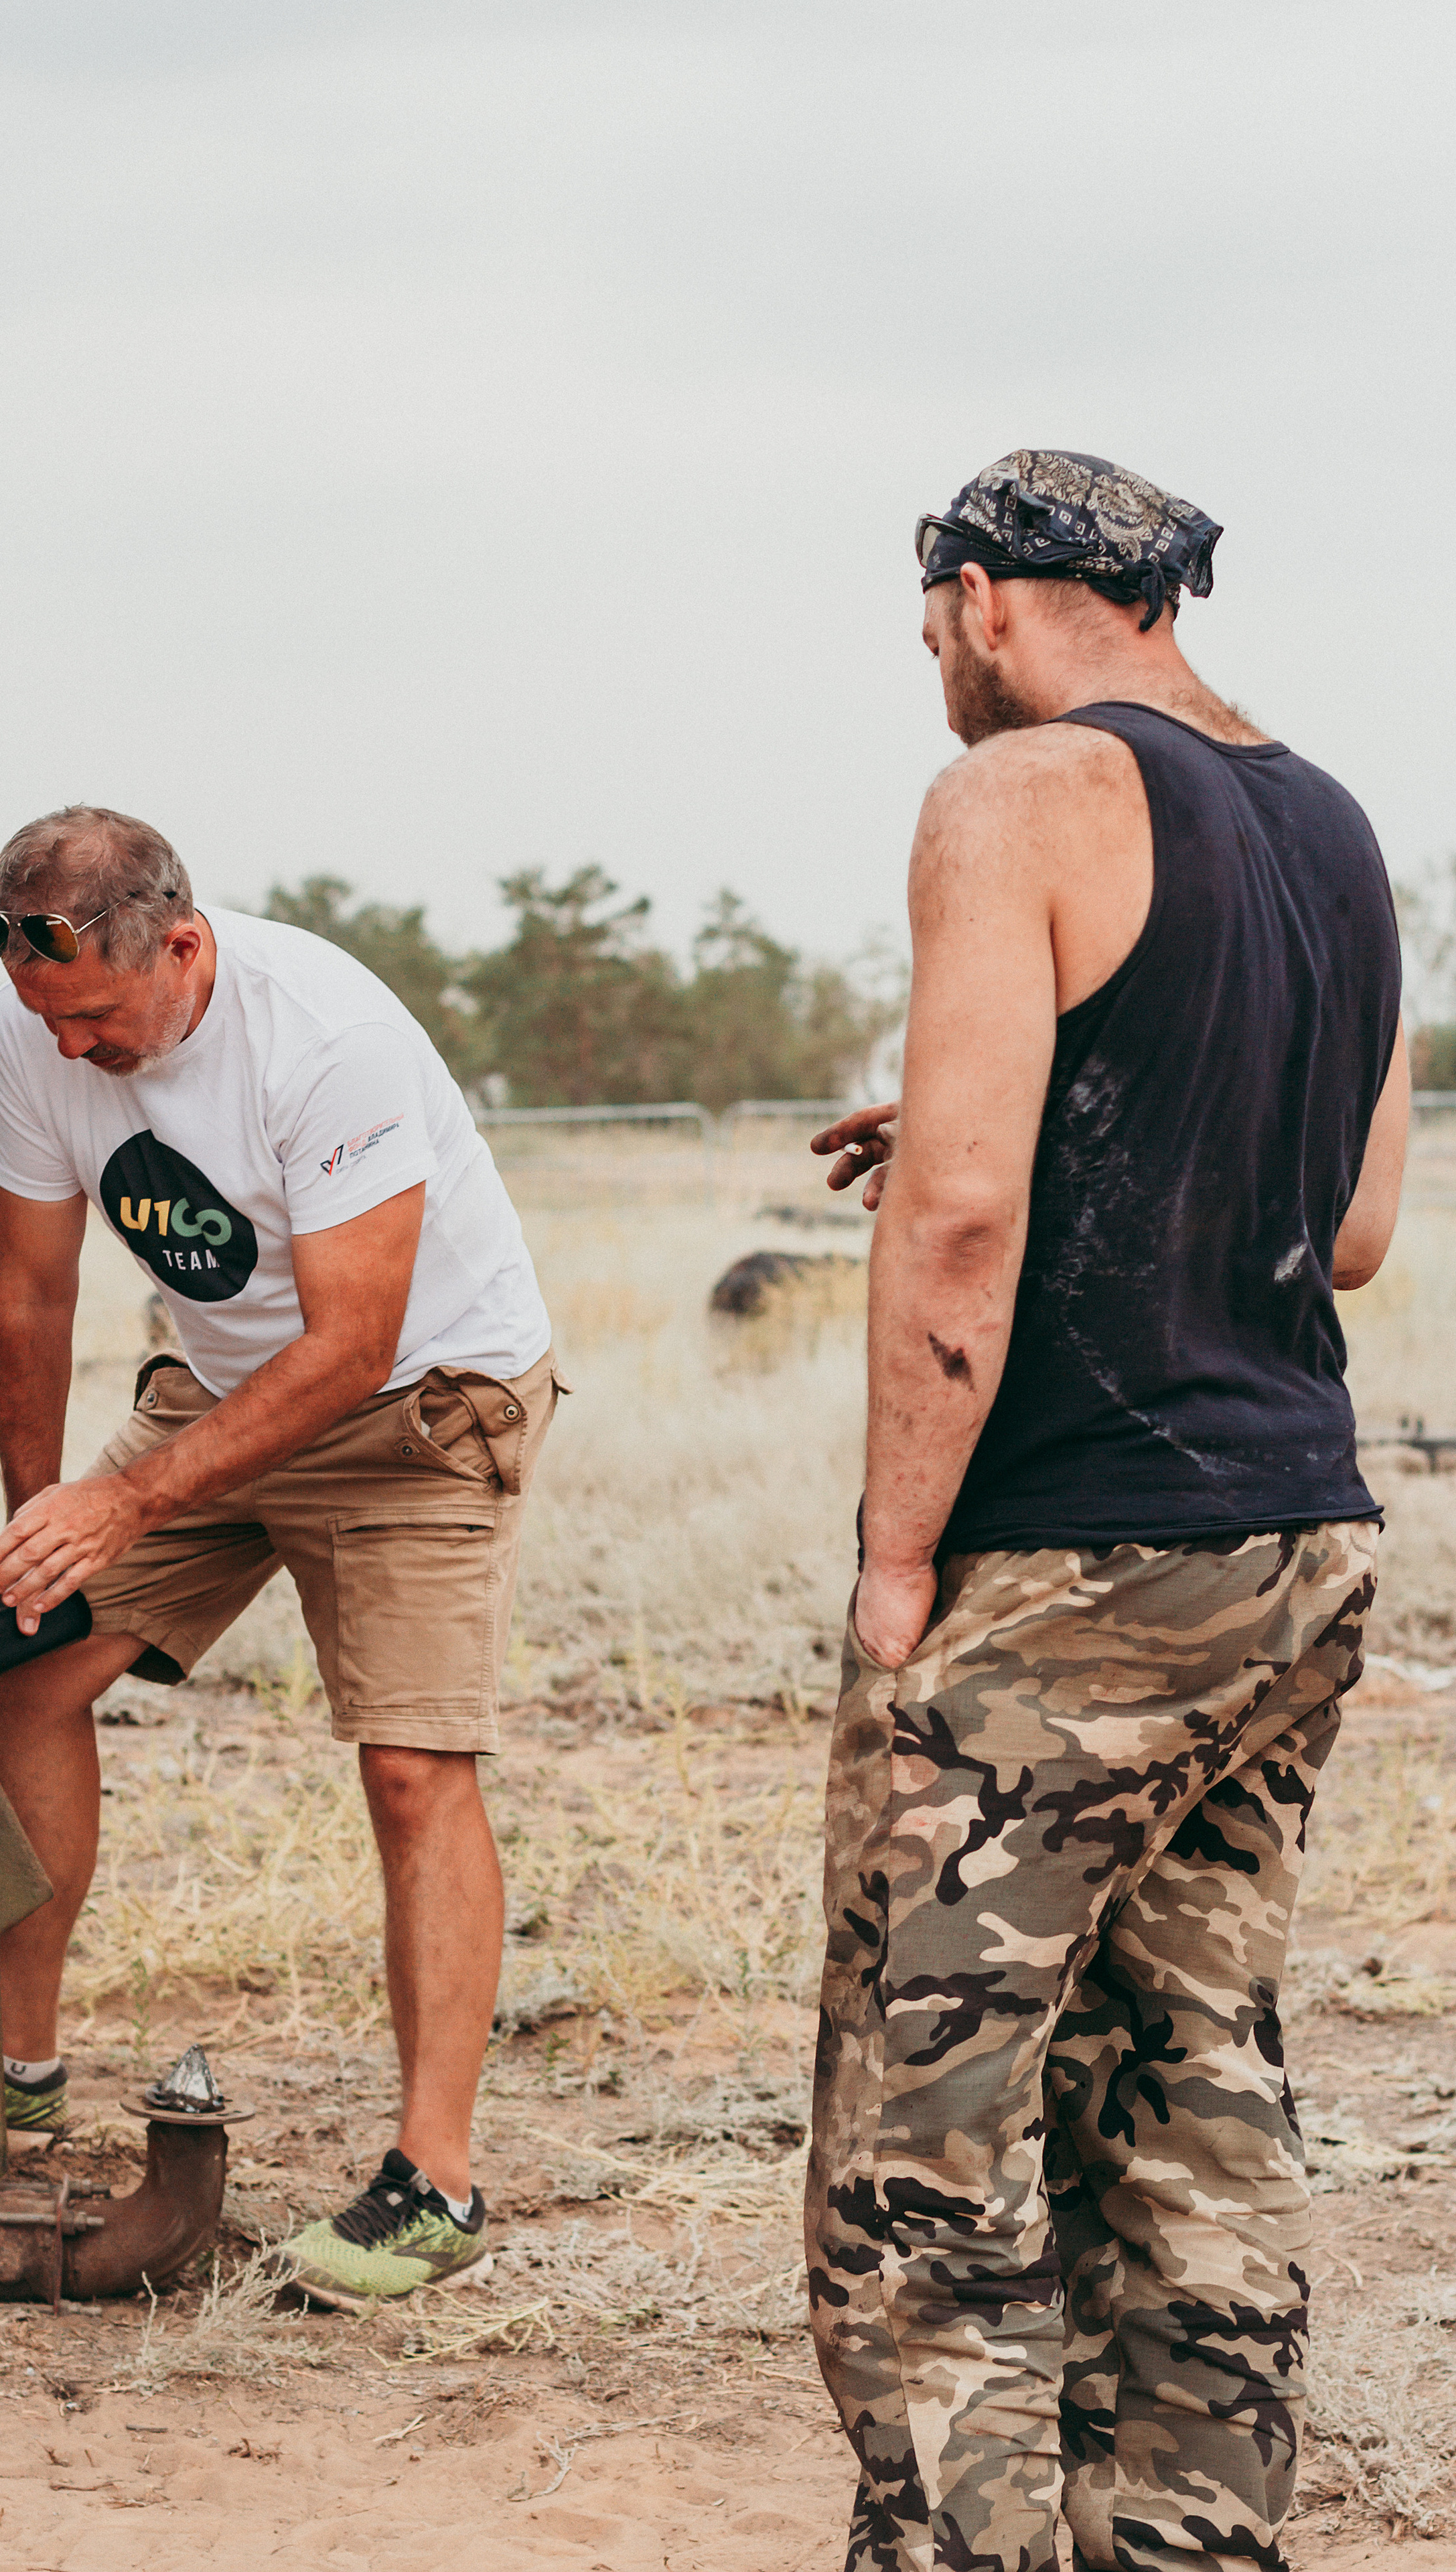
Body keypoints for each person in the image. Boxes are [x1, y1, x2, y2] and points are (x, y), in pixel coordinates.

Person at [803, 451, 1407, 2572]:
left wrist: (894, 1564)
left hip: (1073, 1562)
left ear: (983, 597)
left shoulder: (1020, 793)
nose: (936, 668)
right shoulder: (1332, 823)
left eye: (930, 627)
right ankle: (1193, 2545)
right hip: (1290, 1542)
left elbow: (963, 1230)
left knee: (926, 2138)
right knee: (1191, 2086)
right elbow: (1348, 1229)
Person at [0, 806, 563, 2310]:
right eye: (49, 1020)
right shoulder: (34, 1027)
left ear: (180, 942)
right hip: (221, 1396)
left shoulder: (324, 1034)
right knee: (18, 1669)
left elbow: (352, 1339)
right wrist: (42, 1527)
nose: (75, 1052)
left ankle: (435, 2184)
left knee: (412, 1765)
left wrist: (132, 1502)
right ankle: (7, 2073)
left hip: (416, 1397)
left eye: (97, 1019)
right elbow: (25, 1297)